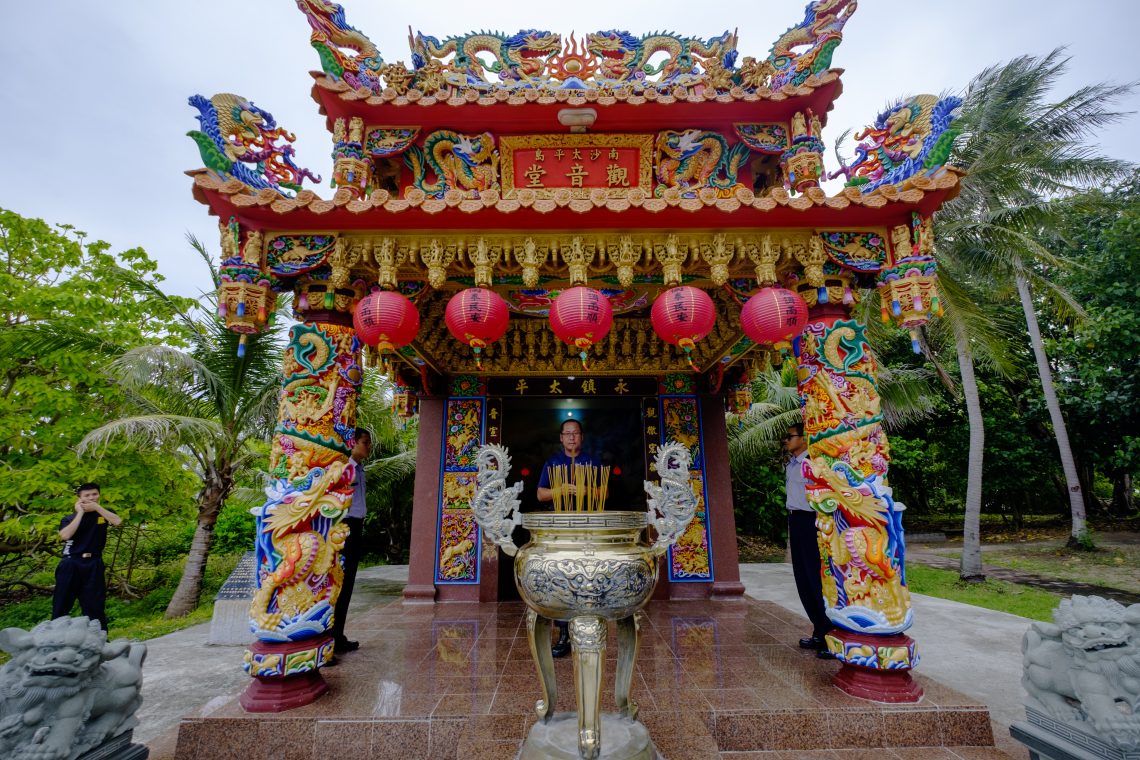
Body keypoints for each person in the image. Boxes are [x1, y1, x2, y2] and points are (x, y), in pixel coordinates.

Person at [536, 418, 600, 657]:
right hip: (560, 528)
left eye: (576, 433)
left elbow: (604, 491)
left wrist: (587, 490)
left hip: (586, 527)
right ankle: (563, 633)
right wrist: (559, 491)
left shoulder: (591, 461)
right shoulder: (553, 463)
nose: (572, 437)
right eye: (567, 434)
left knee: (586, 576)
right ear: (561, 438)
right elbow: (540, 494)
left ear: (581, 437)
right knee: (560, 577)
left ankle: (588, 629)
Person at [783, 423, 835, 659]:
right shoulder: (792, 465)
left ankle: (829, 635)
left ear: (803, 439)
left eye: (790, 436)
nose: (786, 440)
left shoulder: (812, 465)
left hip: (811, 521)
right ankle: (818, 630)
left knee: (815, 578)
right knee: (802, 577)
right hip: (795, 520)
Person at [54, 483, 122, 631]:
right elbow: (65, 535)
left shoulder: (104, 513)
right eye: (87, 495)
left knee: (95, 605)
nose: (91, 498)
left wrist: (97, 508)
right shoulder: (69, 518)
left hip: (94, 563)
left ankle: (101, 639)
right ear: (79, 498)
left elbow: (117, 521)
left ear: (99, 495)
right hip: (71, 563)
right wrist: (79, 513)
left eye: (94, 494)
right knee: (62, 604)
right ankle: (54, 639)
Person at [329, 428, 372, 660]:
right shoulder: (344, 469)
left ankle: (337, 635)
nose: (368, 446)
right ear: (352, 443)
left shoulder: (359, 469)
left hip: (356, 526)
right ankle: (328, 638)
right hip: (343, 527)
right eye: (365, 442)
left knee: (347, 583)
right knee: (337, 583)